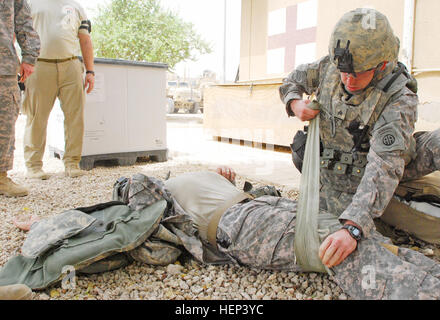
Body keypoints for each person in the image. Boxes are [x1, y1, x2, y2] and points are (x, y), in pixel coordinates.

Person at [7, 166, 440, 299]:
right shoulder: (155, 194)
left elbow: (263, 192)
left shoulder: (194, 177)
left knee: (352, 229)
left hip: (261, 207)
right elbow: (114, 212)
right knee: (335, 250)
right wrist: (57, 221)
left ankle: (418, 270)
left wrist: (237, 183)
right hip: (240, 226)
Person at [279, 8, 440, 272]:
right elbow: (292, 81)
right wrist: (295, 103)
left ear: (382, 65)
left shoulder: (399, 96)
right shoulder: (330, 67)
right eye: (343, 72)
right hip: (340, 175)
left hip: (387, 163)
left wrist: (353, 228)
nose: (347, 80)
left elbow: (384, 166)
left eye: (357, 74)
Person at [23, 0, 95, 179]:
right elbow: (18, 33)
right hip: (40, 65)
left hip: (70, 64)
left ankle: (72, 162)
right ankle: (34, 166)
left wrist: (90, 71)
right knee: (36, 116)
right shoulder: (30, 4)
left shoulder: (77, 7)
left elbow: (85, 40)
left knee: (75, 117)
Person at [0, 0, 40, 197]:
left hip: (3, 64)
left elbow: (23, 20)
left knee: (4, 124)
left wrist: (29, 56)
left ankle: (0, 177)